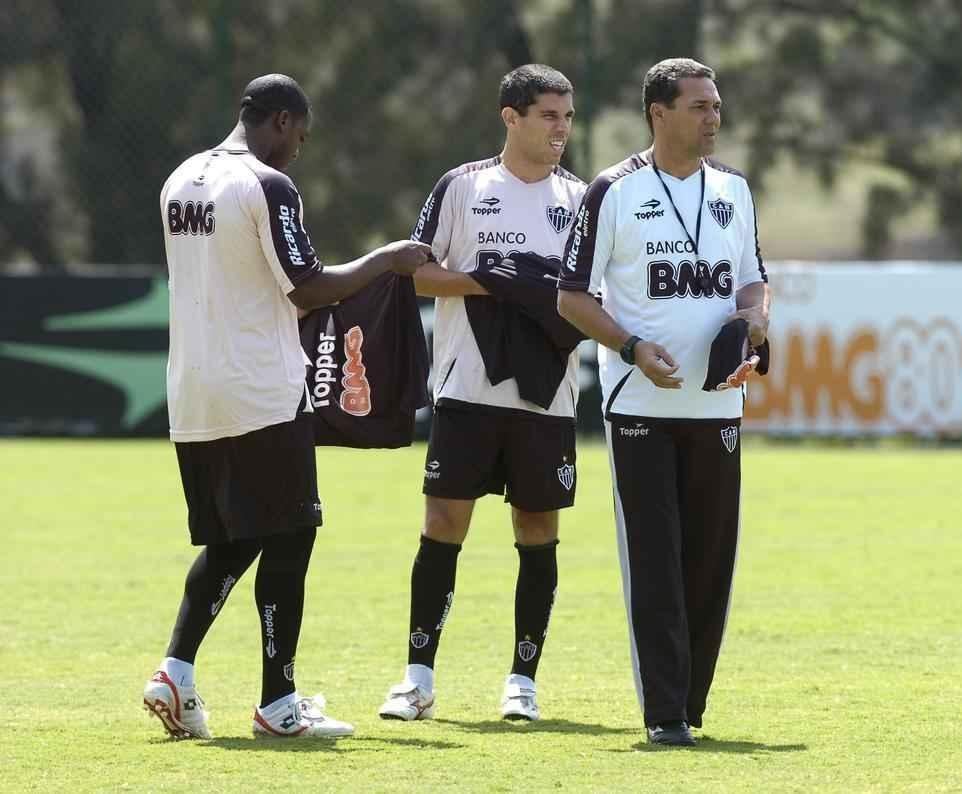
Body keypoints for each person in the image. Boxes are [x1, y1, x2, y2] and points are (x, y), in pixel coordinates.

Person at [143, 74, 432, 740]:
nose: (298, 148)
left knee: (235, 538)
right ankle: (279, 704)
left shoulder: (181, 177)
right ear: (278, 120)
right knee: (293, 531)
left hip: (192, 387)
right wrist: (388, 259)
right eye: (299, 134)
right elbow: (307, 289)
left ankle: (175, 674)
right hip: (260, 387)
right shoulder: (266, 184)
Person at [557, 58, 770, 747]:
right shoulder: (612, 191)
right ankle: (665, 714)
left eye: (717, 105)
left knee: (710, 563)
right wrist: (630, 348)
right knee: (655, 561)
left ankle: (693, 705)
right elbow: (571, 297)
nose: (714, 117)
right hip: (640, 406)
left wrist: (754, 327)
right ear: (659, 112)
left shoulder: (734, 190)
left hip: (720, 410)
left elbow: (751, 284)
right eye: (699, 106)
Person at [377, 64, 585, 723]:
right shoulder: (463, 187)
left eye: (568, 117)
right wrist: (490, 281)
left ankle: (523, 681)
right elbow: (415, 273)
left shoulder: (582, 199)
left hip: (546, 396)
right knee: (443, 525)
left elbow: (594, 296)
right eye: (549, 115)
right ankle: (417, 680)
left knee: (536, 529)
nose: (561, 129)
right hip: (466, 389)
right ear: (511, 116)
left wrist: (534, 290)